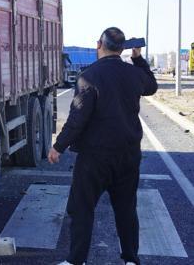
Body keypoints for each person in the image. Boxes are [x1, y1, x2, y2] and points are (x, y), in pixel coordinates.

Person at [48, 27, 157, 265]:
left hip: (94, 158)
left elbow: (78, 117)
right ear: (123, 48)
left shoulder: (90, 76)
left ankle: (76, 261)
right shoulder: (133, 74)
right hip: (128, 155)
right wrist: (138, 59)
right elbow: (151, 86)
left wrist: (58, 146)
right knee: (126, 209)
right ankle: (130, 259)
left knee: (82, 208)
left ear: (100, 45)